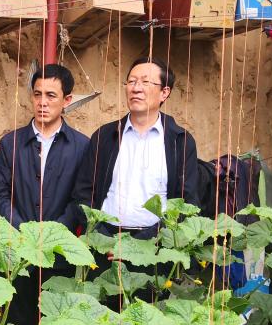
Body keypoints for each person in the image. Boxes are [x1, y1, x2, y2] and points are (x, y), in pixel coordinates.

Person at [0, 63, 88, 325]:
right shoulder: (10, 143)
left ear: (67, 100)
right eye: (37, 94)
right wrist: (24, 231)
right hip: (17, 254)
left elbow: (81, 200)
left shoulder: (82, 146)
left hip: (59, 256)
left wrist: (52, 234)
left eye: (51, 95)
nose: (42, 102)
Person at [72, 56, 199, 238]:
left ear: (164, 92)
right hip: (105, 237)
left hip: (157, 242)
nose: (136, 88)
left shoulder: (180, 141)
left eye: (145, 82)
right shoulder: (104, 136)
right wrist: (100, 236)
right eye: (131, 81)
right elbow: (83, 193)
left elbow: (187, 202)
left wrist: (150, 240)